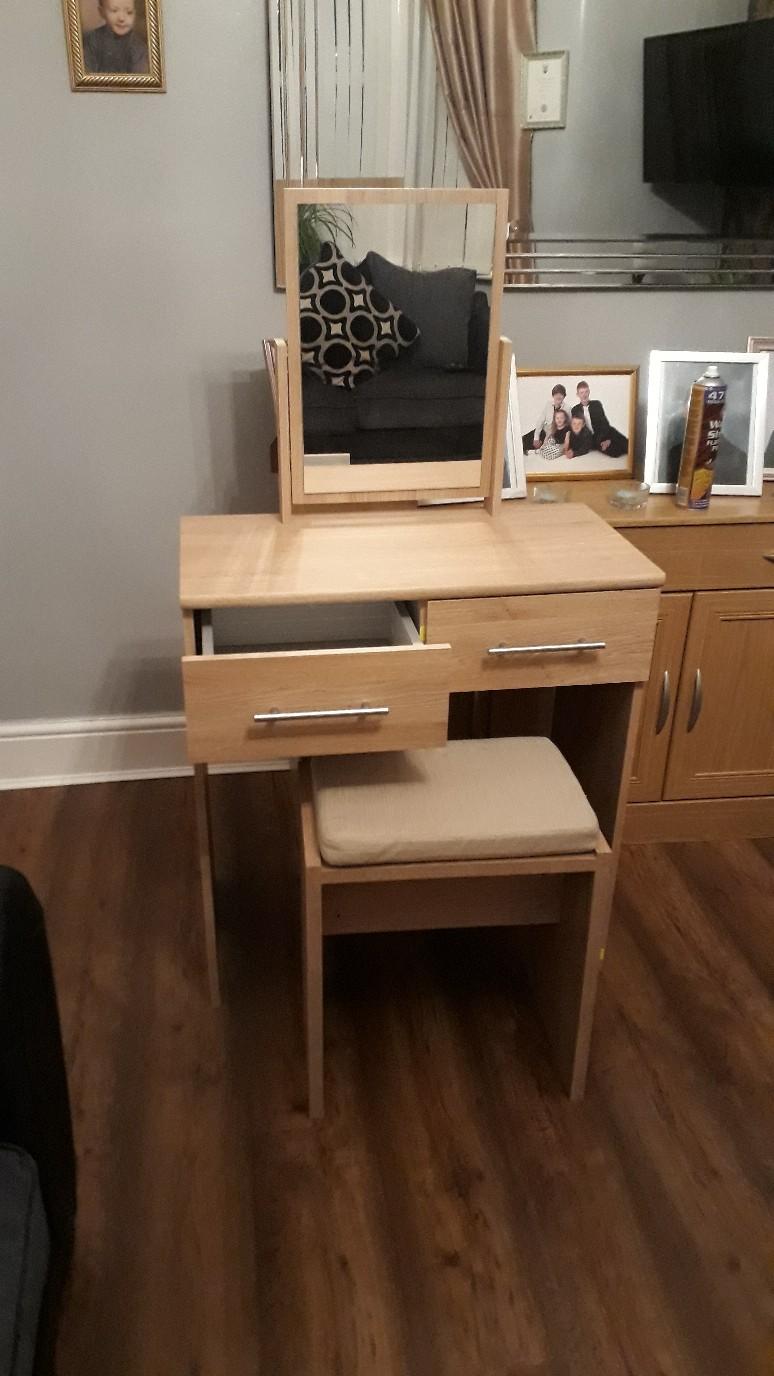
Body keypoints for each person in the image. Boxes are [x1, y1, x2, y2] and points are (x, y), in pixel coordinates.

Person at [82, 0, 149, 73]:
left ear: (135, 14)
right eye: (114, 11)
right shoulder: (92, 40)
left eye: (129, 12)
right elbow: (86, 73)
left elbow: (140, 79)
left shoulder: (139, 47)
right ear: (102, 12)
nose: (121, 18)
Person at [570, 381, 628, 458]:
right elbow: (577, 428)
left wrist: (608, 439)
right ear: (578, 394)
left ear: (589, 392)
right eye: (581, 393)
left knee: (627, 444)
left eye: (586, 392)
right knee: (615, 452)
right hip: (593, 439)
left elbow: (604, 423)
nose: (584, 395)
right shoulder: (575, 409)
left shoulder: (596, 404)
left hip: (606, 432)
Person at [523, 384, 568, 453]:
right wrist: (536, 438)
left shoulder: (568, 408)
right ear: (553, 395)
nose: (558, 396)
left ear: (564, 396)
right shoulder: (548, 404)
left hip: (555, 436)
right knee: (522, 440)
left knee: (546, 448)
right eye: (556, 394)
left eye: (561, 394)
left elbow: (568, 426)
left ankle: (535, 451)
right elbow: (540, 421)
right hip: (544, 431)